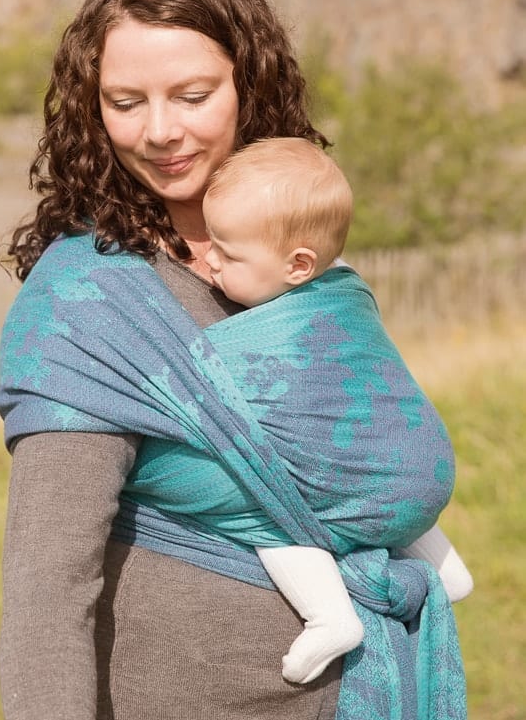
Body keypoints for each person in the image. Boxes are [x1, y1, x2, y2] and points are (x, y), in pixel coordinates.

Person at [0, 0, 480, 720]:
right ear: (89, 109)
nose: (159, 131)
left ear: (248, 88)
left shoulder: (301, 275)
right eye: (124, 101)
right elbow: (43, 596)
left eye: (192, 95)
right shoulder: (87, 304)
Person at [126, 136, 472, 687]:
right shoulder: (345, 287)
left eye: (229, 252)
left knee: (268, 504)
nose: (208, 257)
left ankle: (330, 616)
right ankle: (445, 568)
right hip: (427, 478)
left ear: (298, 264)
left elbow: (213, 395)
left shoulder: (283, 326)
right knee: (380, 468)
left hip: (375, 493)